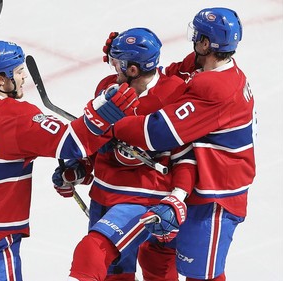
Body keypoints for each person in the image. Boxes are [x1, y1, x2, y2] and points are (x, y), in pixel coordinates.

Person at [0, 40, 138, 281]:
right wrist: (104, 111)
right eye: (19, 72)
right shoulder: (17, 117)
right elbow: (72, 144)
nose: (24, 78)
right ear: (1, 80)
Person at [112, 8, 256, 281]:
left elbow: (157, 133)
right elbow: (167, 77)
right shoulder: (203, 66)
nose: (194, 40)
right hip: (190, 184)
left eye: (198, 35)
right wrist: (126, 62)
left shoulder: (216, 88)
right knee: (156, 256)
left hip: (216, 195)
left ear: (205, 43)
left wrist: (110, 125)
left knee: (200, 275)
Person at [52, 28, 197, 281]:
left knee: (92, 252)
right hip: (103, 196)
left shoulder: (173, 93)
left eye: (117, 63)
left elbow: (185, 153)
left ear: (132, 70)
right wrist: (79, 169)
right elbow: (94, 141)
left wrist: (178, 196)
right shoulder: (106, 88)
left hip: (144, 200)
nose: (112, 66)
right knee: (114, 275)